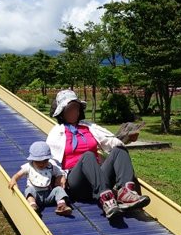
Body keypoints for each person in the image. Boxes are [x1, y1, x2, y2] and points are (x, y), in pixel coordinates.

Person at [46, 89, 150, 219]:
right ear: (62, 112)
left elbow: (110, 140)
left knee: (119, 149)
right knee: (88, 156)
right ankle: (106, 200)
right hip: (77, 182)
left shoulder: (89, 127)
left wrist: (127, 138)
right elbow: (50, 158)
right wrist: (59, 175)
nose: (75, 112)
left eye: (76, 108)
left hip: (98, 177)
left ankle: (126, 192)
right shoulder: (56, 132)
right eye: (70, 109)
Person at [8, 141, 73, 216]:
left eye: (45, 161)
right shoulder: (29, 166)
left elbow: (60, 173)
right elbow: (18, 174)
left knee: (59, 189)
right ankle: (32, 205)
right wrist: (14, 179)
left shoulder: (51, 166)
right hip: (36, 196)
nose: (41, 164)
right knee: (29, 190)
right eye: (38, 161)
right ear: (33, 160)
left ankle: (61, 205)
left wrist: (60, 178)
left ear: (48, 159)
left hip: (49, 194)